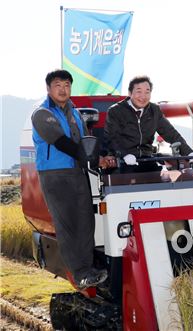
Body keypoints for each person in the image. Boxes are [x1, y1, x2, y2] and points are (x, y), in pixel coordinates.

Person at [32, 69, 114, 290]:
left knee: (85, 220)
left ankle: (88, 269)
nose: (63, 89)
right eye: (58, 85)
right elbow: (61, 142)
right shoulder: (42, 113)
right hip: (55, 175)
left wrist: (101, 158)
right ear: (49, 88)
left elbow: (86, 141)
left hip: (77, 171)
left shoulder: (75, 112)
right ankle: (80, 274)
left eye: (67, 84)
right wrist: (93, 158)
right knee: (67, 224)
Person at [104, 75, 193, 173]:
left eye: (147, 92)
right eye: (139, 91)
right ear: (130, 93)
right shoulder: (115, 111)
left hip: (147, 158)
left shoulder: (154, 110)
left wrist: (189, 152)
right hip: (123, 161)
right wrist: (124, 154)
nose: (143, 96)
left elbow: (170, 133)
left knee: (164, 177)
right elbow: (111, 138)